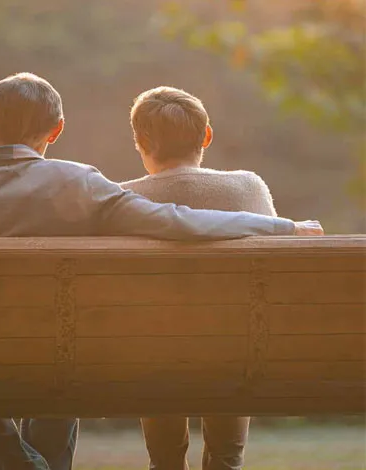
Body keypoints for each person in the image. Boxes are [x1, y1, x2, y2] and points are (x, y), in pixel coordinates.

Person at [0, 72, 323, 470]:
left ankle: (9, 450)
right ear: (56, 130)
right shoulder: (75, 183)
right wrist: (285, 227)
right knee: (57, 362)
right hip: (53, 358)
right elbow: (179, 221)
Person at [120, 85, 283, 469]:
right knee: (227, 454)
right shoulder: (249, 188)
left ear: (140, 141)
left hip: (154, 362)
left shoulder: (121, 199)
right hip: (237, 355)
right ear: (206, 135)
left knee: (156, 350)